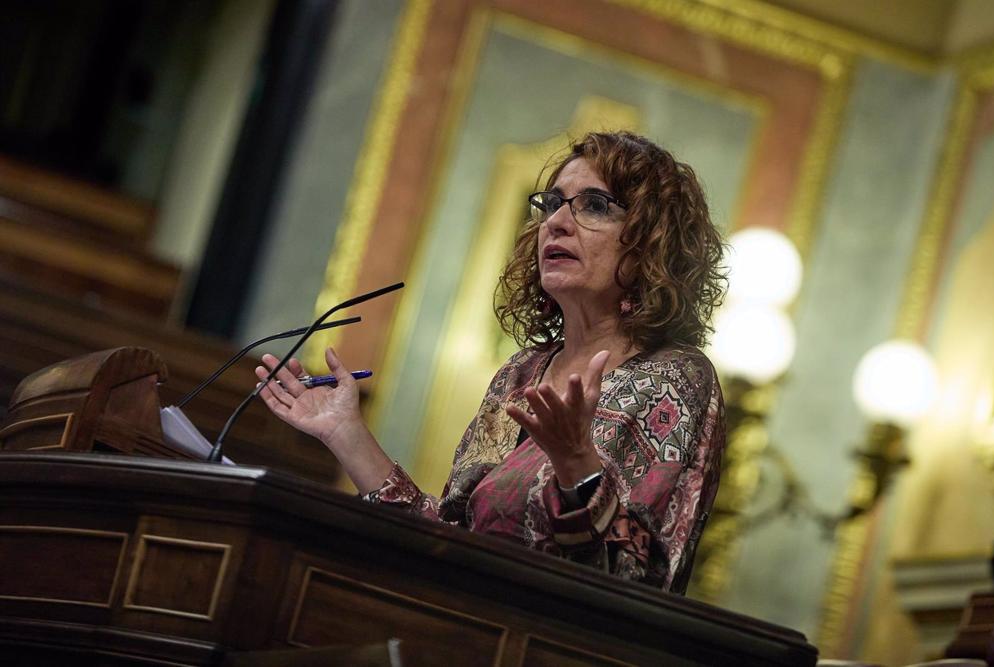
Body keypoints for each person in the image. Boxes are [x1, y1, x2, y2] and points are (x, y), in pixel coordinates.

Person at [256, 131, 727, 594]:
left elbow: (642, 578)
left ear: (651, 242)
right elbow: (447, 539)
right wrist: (345, 432)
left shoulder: (675, 379)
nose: (557, 223)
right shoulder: (520, 374)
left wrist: (577, 466)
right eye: (553, 204)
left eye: (595, 205)